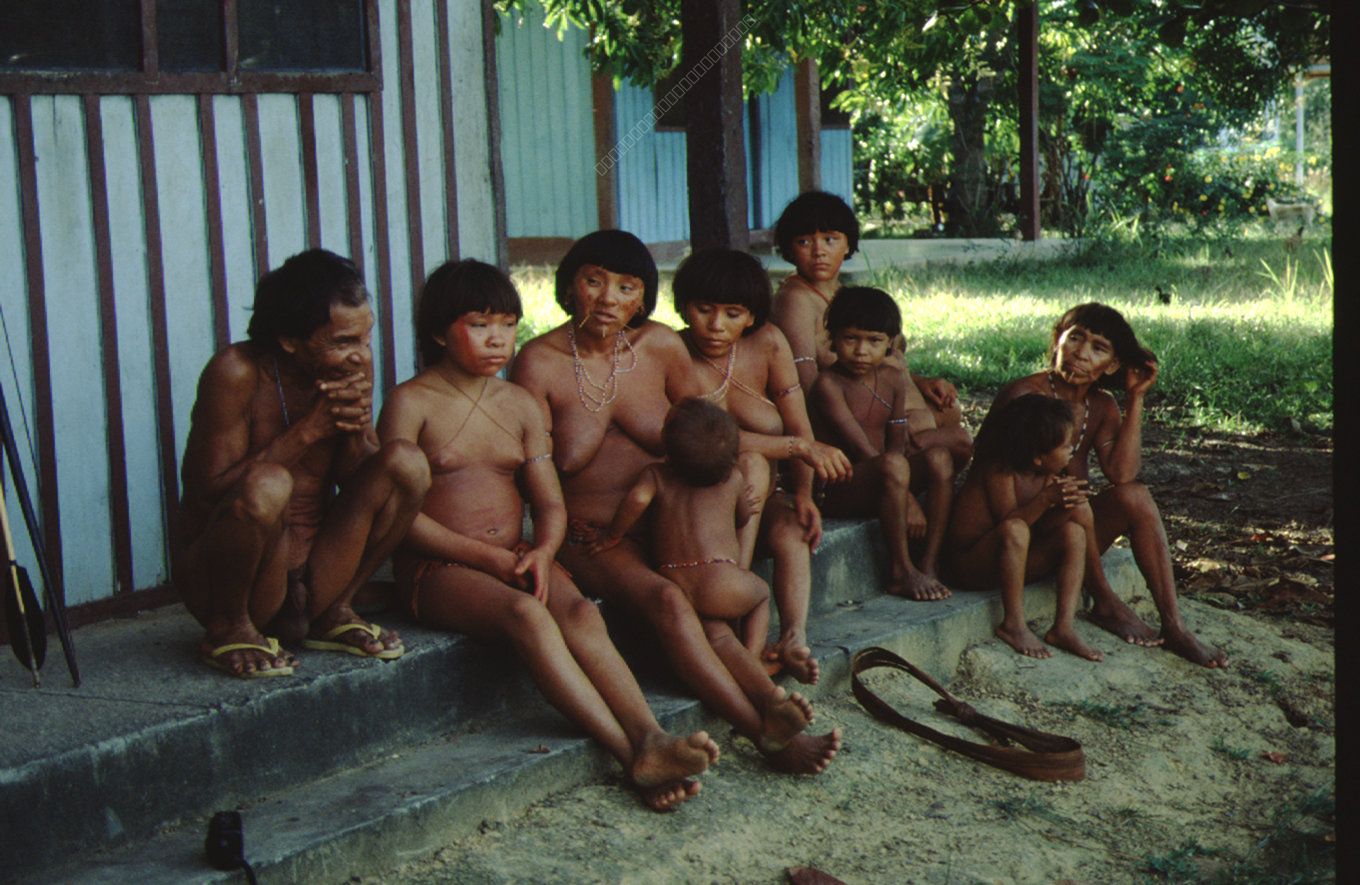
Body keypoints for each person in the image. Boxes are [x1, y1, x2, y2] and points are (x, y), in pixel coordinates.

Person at [378, 260, 717, 811]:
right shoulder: (410, 402)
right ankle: (628, 754)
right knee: (528, 614)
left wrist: (542, 549)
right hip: (440, 568)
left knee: (582, 612)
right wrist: (485, 560)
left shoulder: (517, 403)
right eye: (479, 325)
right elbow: (401, 517)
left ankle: (650, 735)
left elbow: (549, 499)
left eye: (508, 325)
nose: (498, 340)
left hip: (517, 556)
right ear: (440, 332)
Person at [511, 230, 840, 775]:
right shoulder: (537, 362)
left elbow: (713, 434)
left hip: (668, 519)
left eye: (626, 287)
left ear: (643, 299)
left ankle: (770, 706)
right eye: (595, 281)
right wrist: (548, 541)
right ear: (570, 287)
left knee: (708, 615)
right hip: (594, 535)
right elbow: (538, 473)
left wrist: (774, 456)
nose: (609, 298)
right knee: (668, 601)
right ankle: (761, 731)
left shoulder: (659, 346)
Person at [176, 249, 429, 678]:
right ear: (290, 339)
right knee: (270, 483)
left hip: (315, 568)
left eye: (365, 339)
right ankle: (229, 628)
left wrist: (354, 429)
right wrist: (309, 431)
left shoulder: (348, 366)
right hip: (237, 578)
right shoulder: (236, 372)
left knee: (406, 462)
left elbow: (360, 483)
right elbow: (210, 493)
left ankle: (334, 609)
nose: (361, 355)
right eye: (343, 342)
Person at [991, 303, 1227, 667]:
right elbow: (1002, 497)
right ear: (1057, 341)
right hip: (1016, 541)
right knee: (1078, 503)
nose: (1081, 354)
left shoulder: (1101, 405)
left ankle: (1174, 626)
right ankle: (1104, 598)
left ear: (1113, 365)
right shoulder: (1025, 398)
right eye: (1075, 339)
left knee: (1136, 496)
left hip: (1064, 539)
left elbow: (1122, 475)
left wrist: (1135, 398)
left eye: (1098, 348)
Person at [670, 248, 853, 683]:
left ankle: (792, 637)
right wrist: (794, 448)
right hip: (699, 507)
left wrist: (806, 494)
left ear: (751, 316)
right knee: (750, 460)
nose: (716, 326)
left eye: (733, 313)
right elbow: (702, 440)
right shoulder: (672, 350)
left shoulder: (769, 342)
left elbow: (798, 424)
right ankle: (733, 601)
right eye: (703, 310)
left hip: (761, 499)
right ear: (682, 308)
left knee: (792, 531)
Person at [767, 192, 966, 467]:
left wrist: (922, 382)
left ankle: (905, 459)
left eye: (830, 239)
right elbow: (806, 383)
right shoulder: (795, 299)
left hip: (888, 402)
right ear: (789, 249)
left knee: (949, 411)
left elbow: (882, 356)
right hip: (853, 418)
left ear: (848, 244)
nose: (818, 251)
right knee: (956, 438)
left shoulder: (844, 295)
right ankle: (893, 461)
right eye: (804, 242)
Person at [590, 398, 770, 658]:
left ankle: (742, 659)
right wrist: (745, 506)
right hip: (720, 582)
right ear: (731, 459)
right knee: (762, 594)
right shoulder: (733, 479)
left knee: (715, 633)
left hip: (674, 582)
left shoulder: (656, 475)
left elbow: (638, 499)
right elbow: (742, 520)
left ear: (668, 449)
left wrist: (612, 535)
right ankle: (753, 655)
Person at [809, 287, 953, 600]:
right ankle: (900, 570)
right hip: (840, 486)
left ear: (891, 343)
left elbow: (897, 439)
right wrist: (908, 500)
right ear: (832, 338)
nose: (861, 351)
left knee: (939, 457)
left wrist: (903, 483)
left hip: (885, 474)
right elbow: (860, 447)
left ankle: (928, 561)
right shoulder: (828, 385)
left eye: (874, 341)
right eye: (851, 339)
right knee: (893, 463)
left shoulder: (892, 379)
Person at [946, 394, 1104, 661]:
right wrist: (1046, 500)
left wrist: (1066, 506)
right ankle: (1013, 624)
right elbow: (1011, 527)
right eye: (1066, 446)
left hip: (1008, 560)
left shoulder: (1047, 476)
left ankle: (1063, 627)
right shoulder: (999, 473)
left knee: (1073, 531)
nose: (1072, 452)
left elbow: (1040, 529)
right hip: (968, 566)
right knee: (1015, 529)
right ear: (1038, 457)